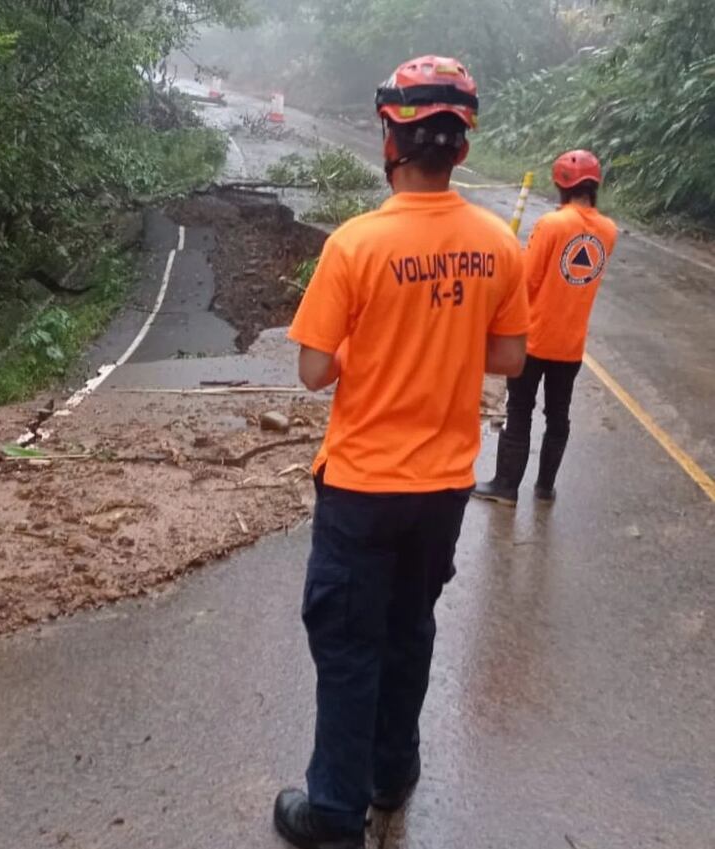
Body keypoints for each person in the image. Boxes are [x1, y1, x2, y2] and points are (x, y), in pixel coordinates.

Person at [273, 57, 529, 849]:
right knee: (409, 626)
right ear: (461, 148)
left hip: (363, 485)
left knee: (349, 642)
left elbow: (314, 369)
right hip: (444, 485)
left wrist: (377, 344)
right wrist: (442, 339)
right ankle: (392, 771)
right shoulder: (497, 244)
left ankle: (334, 813)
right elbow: (511, 356)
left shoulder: (357, 245)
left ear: (392, 138)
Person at [473, 150, 618, 506]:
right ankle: (545, 488)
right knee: (558, 415)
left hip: (534, 340)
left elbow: (527, 281)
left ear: (561, 184)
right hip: (571, 345)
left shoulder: (551, 225)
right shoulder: (608, 231)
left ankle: (506, 487)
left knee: (519, 410)